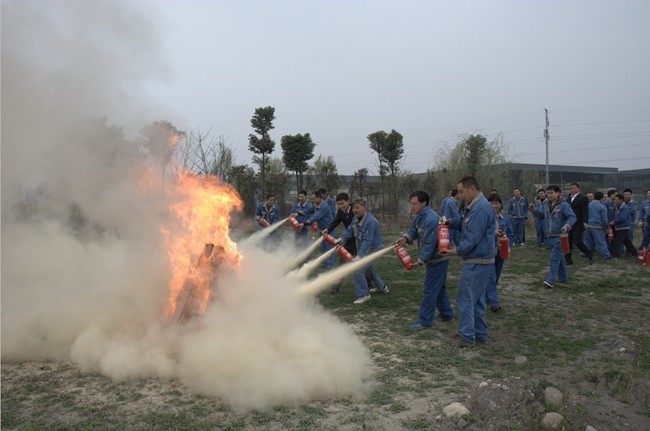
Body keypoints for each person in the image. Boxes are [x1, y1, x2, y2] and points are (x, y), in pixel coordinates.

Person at [441, 176, 496, 348]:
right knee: (477, 299)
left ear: (472, 189)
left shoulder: (480, 209)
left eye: (462, 191)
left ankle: (466, 337)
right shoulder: (472, 207)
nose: (459, 195)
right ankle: (480, 334)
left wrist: (455, 251)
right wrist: (450, 222)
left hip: (477, 260)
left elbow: (473, 238)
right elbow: (464, 225)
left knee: (465, 297)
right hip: (479, 259)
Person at [396, 190, 454, 329]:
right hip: (434, 260)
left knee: (430, 289)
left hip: (437, 260)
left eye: (414, 204)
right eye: (411, 204)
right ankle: (447, 314)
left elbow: (429, 243)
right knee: (439, 288)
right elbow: (413, 230)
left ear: (424, 203)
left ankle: (425, 321)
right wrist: (405, 238)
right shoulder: (420, 216)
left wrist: (420, 260)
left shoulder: (431, 219)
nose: (412, 207)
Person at [338, 198, 388, 304]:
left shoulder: (371, 221)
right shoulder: (355, 218)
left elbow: (368, 241)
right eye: (353, 208)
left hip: (373, 249)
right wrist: (342, 238)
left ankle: (363, 295)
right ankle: (382, 287)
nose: (355, 210)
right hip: (363, 248)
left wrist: (360, 256)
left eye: (357, 207)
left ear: (364, 207)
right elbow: (350, 230)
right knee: (369, 269)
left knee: (358, 269)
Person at [323, 192, 372, 294]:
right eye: (339, 204)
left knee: (362, 263)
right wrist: (327, 229)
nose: (341, 206)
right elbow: (336, 221)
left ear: (348, 201)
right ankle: (335, 287)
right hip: (348, 241)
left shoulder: (355, 210)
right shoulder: (341, 212)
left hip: (359, 241)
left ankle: (369, 283)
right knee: (342, 263)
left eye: (342, 203)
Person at [533, 184, 576, 289]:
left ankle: (550, 280)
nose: (549, 195)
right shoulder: (546, 205)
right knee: (559, 258)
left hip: (559, 236)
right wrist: (533, 210)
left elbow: (572, 217)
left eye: (551, 193)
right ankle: (563, 278)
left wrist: (566, 226)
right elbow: (542, 216)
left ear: (558, 193)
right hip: (549, 236)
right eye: (548, 193)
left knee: (554, 258)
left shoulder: (564, 205)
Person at [486, 194, 513, 313]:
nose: (494, 206)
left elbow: (511, 234)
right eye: (491, 203)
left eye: (496, 203)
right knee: (491, 276)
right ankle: (494, 302)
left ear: (500, 205)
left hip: (500, 252)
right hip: (488, 252)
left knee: (496, 275)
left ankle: (489, 295)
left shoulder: (505, 219)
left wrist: (509, 246)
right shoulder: (485, 219)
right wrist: (492, 232)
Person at [298, 190, 335, 269]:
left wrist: (304, 224)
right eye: (311, 199)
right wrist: (297, 214)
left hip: (329, 230)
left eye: (313, 199)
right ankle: (324, 264)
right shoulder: (315, 205)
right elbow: (308, 211)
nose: (312, 200)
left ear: (319, 198)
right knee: (322, 247)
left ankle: (330, 267)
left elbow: (315, 217)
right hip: (321, 229)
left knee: (329, 248)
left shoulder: (324, 206)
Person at [565, 182, 593, 265]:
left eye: (573, 188)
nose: (572, 190)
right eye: (570, 188)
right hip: (569, 223)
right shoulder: (568, 198)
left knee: (577, 240)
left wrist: (585, 222)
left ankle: (589, 254)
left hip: (579, 223)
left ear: (578, 189)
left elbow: (585, 211)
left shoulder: (582, 198)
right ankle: (568, 260)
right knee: (568, 242)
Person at [584, 192, 612, 261]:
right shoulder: (602, 207)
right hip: (597, 227)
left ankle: (584, 253)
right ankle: (606, 255)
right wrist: (606, 227)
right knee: (601, 242)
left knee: (587, 241)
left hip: (588, 225)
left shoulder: (588, 205)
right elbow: (604, 220)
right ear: (602, 198)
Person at [609, 193, 638, 258]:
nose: (614, 201)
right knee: (627, 241)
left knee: (617, 241)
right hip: (620, 227)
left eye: (616, 200)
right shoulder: (618, 207)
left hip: (623, 227)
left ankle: (614, 254)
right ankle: (634, 253)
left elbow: (622, 218)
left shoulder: (624, 207)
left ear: (621, 200)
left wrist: (613, 222)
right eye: (614, 200)